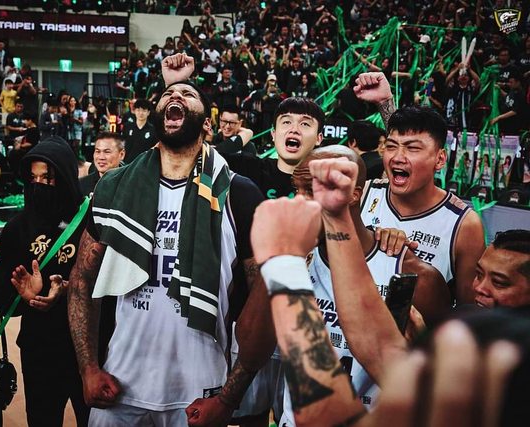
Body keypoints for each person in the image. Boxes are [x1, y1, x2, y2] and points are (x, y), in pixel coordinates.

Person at [67, 53, 275, 426]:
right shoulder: (116, 188)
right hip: (120, 385)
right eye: (168, 95)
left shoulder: (238, 195)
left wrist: (228, 398)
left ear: (207, 123)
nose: (175, 97)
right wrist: (88, 367)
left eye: (188, 95)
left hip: (201, 391)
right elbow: (82, 281)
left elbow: (264, 304)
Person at [277, 146, 448, 426]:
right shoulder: (296, 259)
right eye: (297, 189)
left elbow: (441, 388)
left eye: (313, 189)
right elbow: (253, 351)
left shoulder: (413, 274)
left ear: (353, 194)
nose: (298, 201)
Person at [353, 72, 484, 305]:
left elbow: (469, 310)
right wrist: (384, 102)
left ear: (440, 159)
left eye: (413, 149)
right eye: (391, 147)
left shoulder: (464, 224)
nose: (397, 157)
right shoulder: (365, 194)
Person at [0, 138, 89, 426]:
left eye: (48, 178)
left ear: (65, 177)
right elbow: (8, 303)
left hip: (86, 349)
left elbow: (110, 285)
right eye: (33, 178)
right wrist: (25, 296)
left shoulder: (91, 221)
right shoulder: (16, 229)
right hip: (40, 348)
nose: (39, 186)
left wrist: (68, 290)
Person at [79, 132, 125, 196]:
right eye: (97, 151)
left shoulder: (132, 184)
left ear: (121, 154)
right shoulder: (81, 185)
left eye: (107, 152)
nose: (101, 157)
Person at [122, 98, 156, 163]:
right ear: (134, 111)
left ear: (148, 112)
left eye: (144, 111)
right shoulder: (127, 127)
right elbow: (122, 145)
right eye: (138, 110)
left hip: (144, 164)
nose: (141, 113)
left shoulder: (153, 130)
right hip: (128, 163)